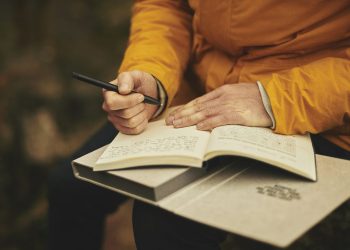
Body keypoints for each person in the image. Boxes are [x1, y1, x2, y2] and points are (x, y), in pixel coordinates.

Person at [48, 1, 350, 249]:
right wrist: (153, 74)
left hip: (317, 115)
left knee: (163, 222)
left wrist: (273, 99)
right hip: (199, 93)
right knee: (70, 186)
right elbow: (165, 5)